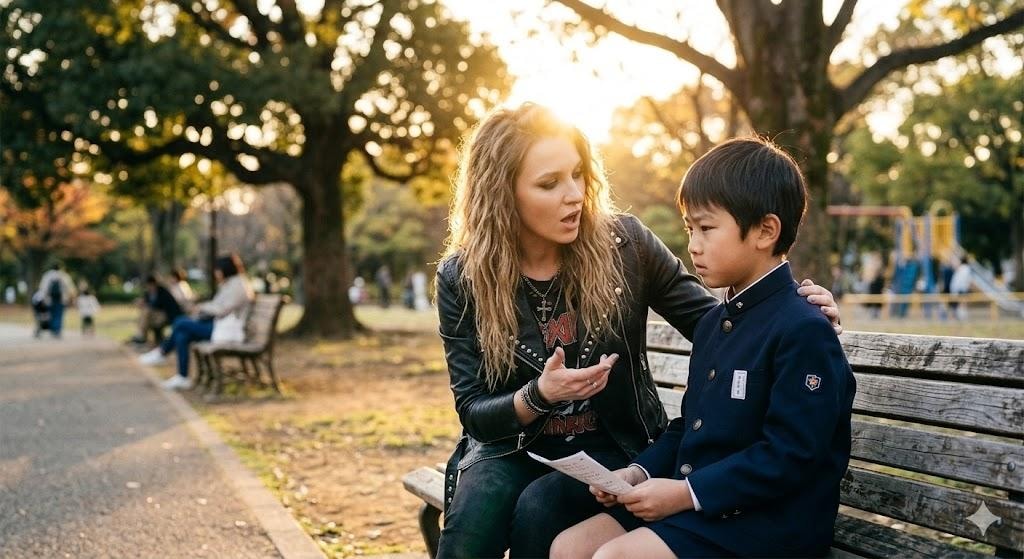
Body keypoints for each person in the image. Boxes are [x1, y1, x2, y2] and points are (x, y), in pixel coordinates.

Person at [434, 103, 842, 559]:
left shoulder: (623, 245)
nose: (574, 194)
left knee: (541, 508)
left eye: (578, 174)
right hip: (513, 447)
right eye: (550, 183)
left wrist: (794, 308)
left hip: (613, 445)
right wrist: (540, 394)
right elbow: (473, 410)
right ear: (502, 193)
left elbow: (727, 330)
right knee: (471, 523)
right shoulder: (463, 277)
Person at [551, 137, 856, 559]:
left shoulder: (803, 327)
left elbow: (791, 454)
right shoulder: (715, 322)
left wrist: (686, 493)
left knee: (615, 557)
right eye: (689, 229)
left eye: (707, 228)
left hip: (767, 524)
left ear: (766, 231)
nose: (693, 244)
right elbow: (690, 425)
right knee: (569, 548)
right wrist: (639, 473)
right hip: (703, 505)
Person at [138, 253, 254, 390]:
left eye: (217, 270)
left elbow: (221, 310)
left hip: (228, 331)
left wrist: (201, 307)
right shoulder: (231, 283)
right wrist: (203, 308)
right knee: (182, 334)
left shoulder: (237, 286)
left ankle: (162, 352)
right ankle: (182, 377)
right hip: (220, 327)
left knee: (180, 322)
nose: (216, 273)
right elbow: (217, 306)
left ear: (225, 269)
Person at [130, 275, 185, 345]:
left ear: (154, 284)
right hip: (156, 316)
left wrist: (145, 304)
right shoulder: (148, 293)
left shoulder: (162, 292)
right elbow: (147, 303)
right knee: (144, 314)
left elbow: (160, 306)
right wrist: (141, 302)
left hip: (167, 315)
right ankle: (142, 336)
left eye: (150, 285)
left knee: (146, 311)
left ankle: (142, 336)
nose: (149, 287)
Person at [37, 263, 77, 338]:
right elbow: (70, 288)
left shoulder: (47, 275)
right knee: (59, 314)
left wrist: (43, 298)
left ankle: (52, 329)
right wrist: (72, 298)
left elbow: (43, 288)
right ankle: (57, 330)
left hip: (49, 299)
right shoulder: (64, 276)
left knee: (51, 314)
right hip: (61, 299)